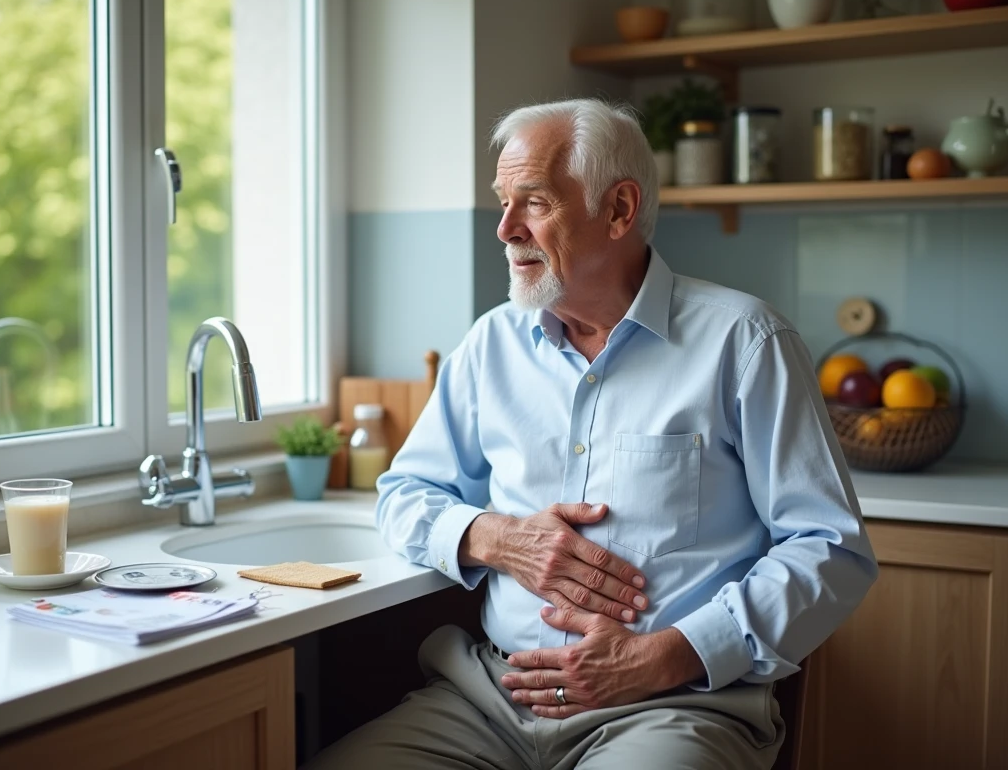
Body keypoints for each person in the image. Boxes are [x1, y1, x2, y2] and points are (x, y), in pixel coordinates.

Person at [306, 99, 878, 770]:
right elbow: (403, 493)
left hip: (677, 704)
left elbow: (830, 549)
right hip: (490, 699)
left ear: (619, 210)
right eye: (502, 202)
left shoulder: (745, 343)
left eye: (534, 203)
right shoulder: (490, 343)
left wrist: (665, 656)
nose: (504, 229)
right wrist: (498, 538)